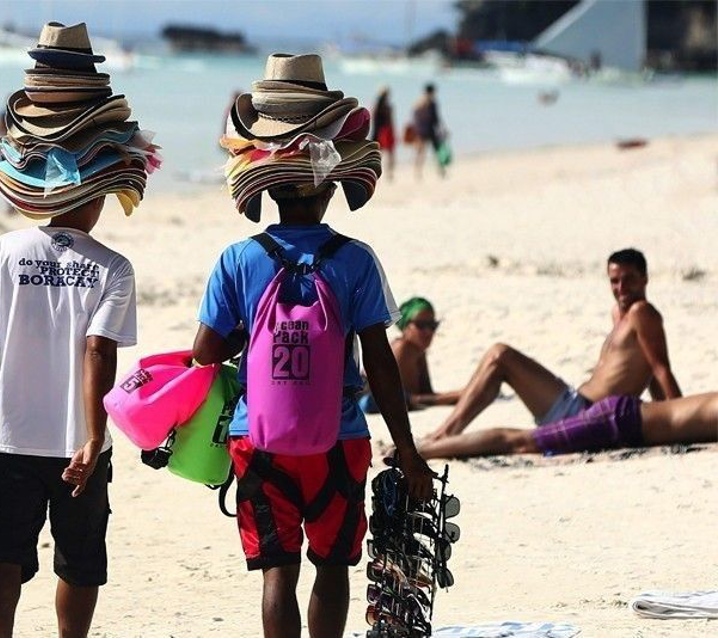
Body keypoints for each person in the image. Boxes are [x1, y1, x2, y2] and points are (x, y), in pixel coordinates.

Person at [196, 53, 433, 639]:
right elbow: (379, 362)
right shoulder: (355, 260)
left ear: (268, 187)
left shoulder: (239, 259)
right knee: (332, 567)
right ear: (330, 184)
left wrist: (249, 335)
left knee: (278, 572)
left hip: (258, 436)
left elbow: (204, 352)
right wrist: (406, 447)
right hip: (342, 437)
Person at [0, 22, 153, 638]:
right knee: (80, 559)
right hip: (76, 445)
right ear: (101, 187)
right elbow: (98, 352)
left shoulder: (7, 252)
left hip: (7, 437)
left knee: (2, 548)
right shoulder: (112, 265)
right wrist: (93, 435)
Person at [426, 249, 682, 442]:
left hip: (585, 414)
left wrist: (680, 419)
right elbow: (646, 370)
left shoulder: (642, 312)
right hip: (576, 404)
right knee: (496, 361)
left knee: (500, 355)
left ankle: (446, 433)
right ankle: (447, 433)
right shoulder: (619, 313)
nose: (621, 288)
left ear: (645, 279)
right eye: (614, 281)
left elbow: (660, 369)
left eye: (629, 280)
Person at [417, 392, 717, 460]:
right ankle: (424, 450)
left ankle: (424, 448)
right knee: (521, 442)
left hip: (625, 418)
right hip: (618, 421)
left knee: (522, 441)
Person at [411, 84, 444, 180]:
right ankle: (418, 172)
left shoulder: (427, 102)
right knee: (424, 152)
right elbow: (436, 118)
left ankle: (438, 170)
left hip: (427, 130)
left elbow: (436, 118)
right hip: (425, 131)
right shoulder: (424, 102)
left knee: (433, 152)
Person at [371, 87, 395, 181]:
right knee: (389, 153)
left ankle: (376, 172)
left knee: (378, 154)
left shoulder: (376, 106)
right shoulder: (388, 107)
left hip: (378, 131)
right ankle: (389, 173)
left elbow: (373, 120)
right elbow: (390, 121)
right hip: (386, 131)